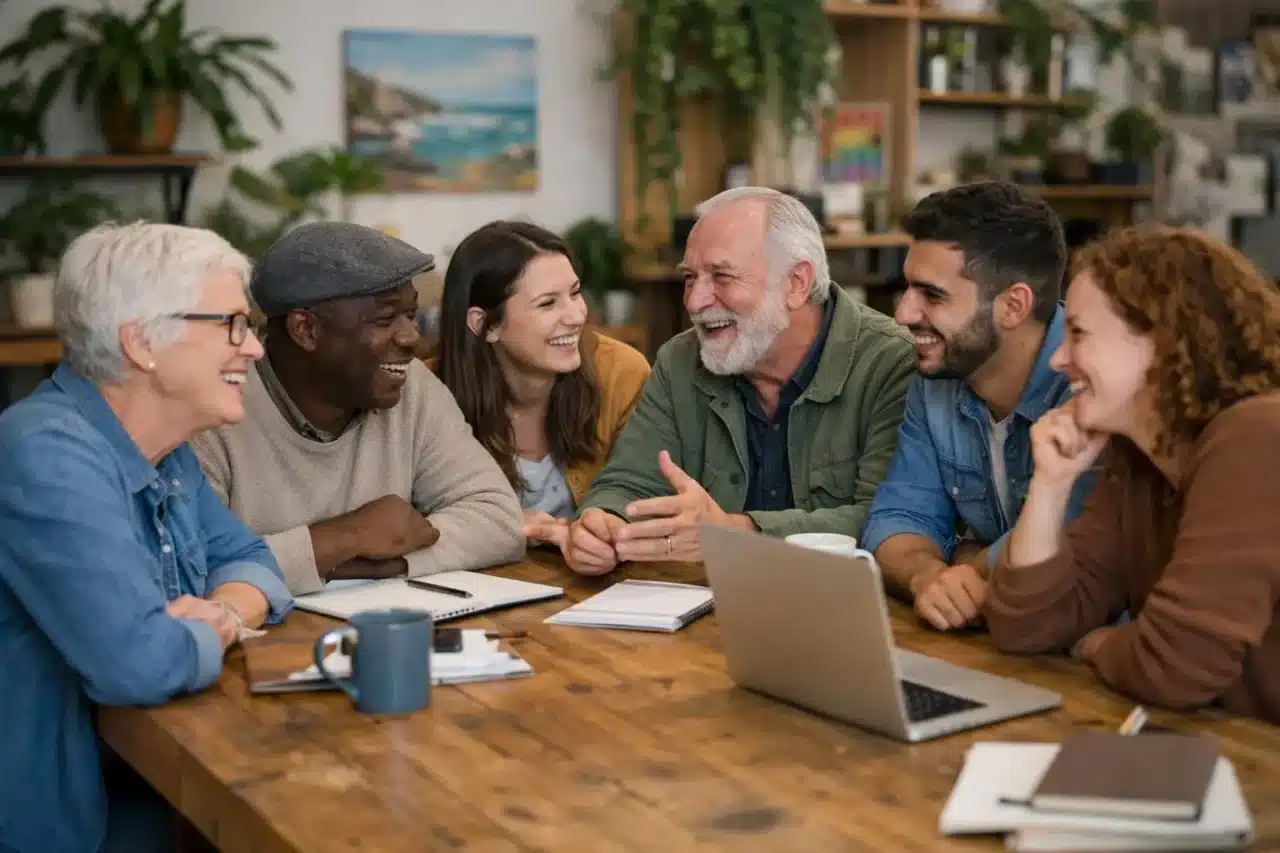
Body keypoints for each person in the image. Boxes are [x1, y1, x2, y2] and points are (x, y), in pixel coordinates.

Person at [0, 222, 294, 853]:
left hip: (146, 796)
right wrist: (212, 629)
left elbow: (254, 561)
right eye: (232, 325)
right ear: (142, 343)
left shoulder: (165, 451)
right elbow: (139, 662)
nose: (255, 350)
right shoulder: (44, 456)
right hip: (63, 828)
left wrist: (211, 614)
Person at [985, 225, 1280, 723]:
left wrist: (1100, 644)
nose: (1058, 359)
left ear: (1163, 341)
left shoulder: (1256, 435)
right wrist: (1051, 484)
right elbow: (1026, 627)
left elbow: (1176, 664)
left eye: (1077, 334)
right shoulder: (1137, 459)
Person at [562, 186, 916, 574]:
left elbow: (897, 523)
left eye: (721, 276)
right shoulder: (679, 361)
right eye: (690, 277)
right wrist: (603, 524)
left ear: (796, 283)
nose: (695, 301)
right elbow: (629, 483)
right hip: (704, 613)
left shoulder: (891, 362)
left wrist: (734, 532)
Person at [192, 222, 525, 596]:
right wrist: (344, 536)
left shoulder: (410, 386)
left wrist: (373, 564)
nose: (411, 338)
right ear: (306, 330)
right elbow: (191, 570)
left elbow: (499, 520)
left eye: (411, 315)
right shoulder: (214, 408)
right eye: (385, 320)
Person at [861, 181, 1098, 632]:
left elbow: (1073, 540)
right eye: (906, 288)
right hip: (998, 645)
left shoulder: (1091, 386)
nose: (903, 314)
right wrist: (929, 575)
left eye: (931, 295)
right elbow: (896, 519)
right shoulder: (937, 379)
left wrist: (972, 561)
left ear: (1013, 306)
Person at [429, 220, 651, 553]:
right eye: (548, 303)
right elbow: (404, 514)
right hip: (482, 585)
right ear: (484, 325)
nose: (576, 315)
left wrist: (603, 529)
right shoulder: (426, 393)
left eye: (575, 293)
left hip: (597, 583)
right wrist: (500, 524)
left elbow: (641, 492)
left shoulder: (622, 373)